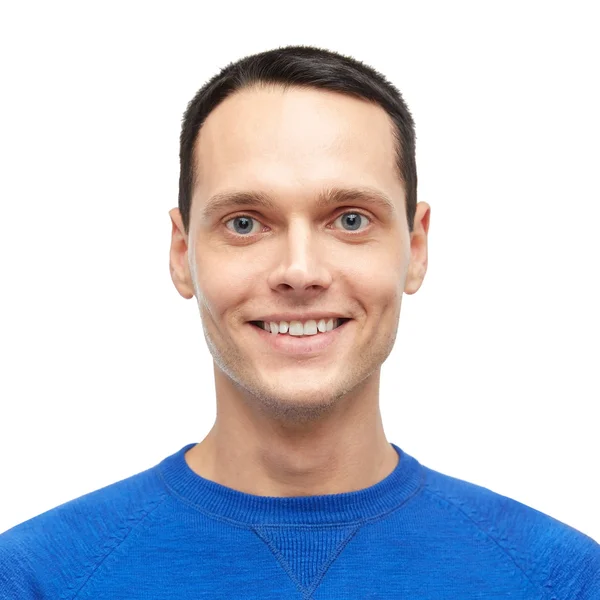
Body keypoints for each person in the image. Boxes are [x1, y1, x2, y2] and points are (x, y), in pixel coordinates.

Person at [1, 45, 598, 599]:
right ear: (182, 254)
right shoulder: (35, 579)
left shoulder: (561, 580)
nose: (300, 271)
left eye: (350, 219)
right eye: (244, 222)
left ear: (415, 248)